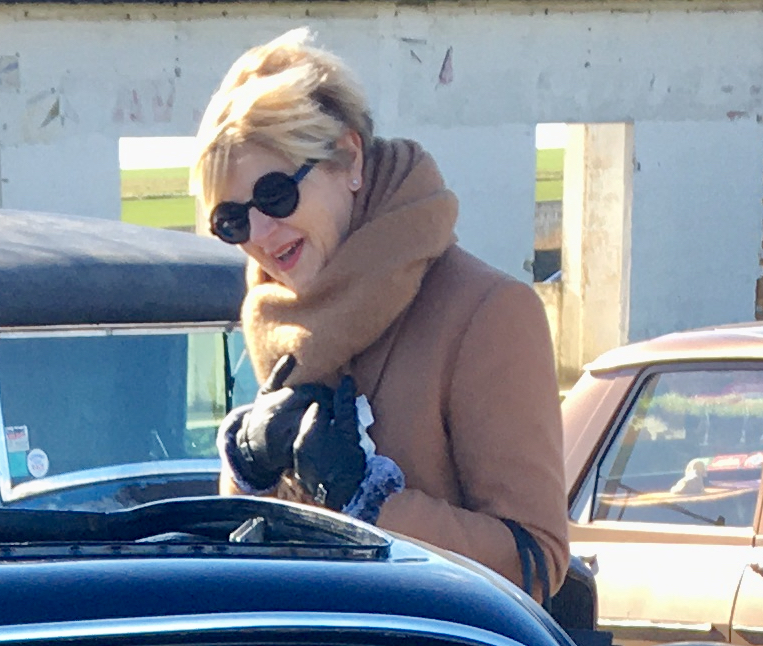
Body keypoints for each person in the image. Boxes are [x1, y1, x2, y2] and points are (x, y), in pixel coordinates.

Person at [196, 29, 569, 601]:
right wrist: (249, 472)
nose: (261, 235)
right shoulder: (279, 316)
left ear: (349, 158)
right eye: (233, 220)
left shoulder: (488, 312)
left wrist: (367, 498)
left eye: (275, 195)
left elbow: (535, 562)